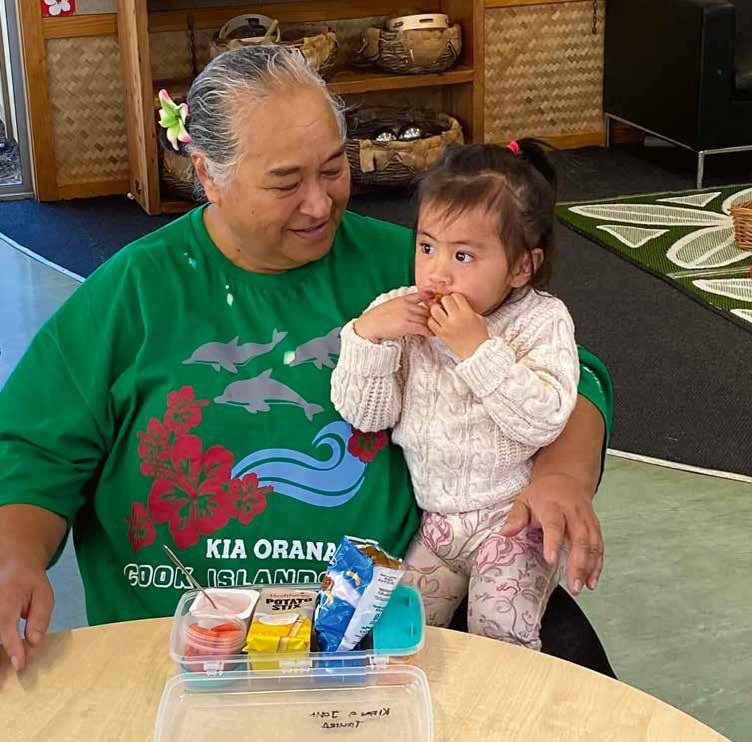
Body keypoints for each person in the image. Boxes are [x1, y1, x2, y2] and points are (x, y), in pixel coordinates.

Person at [0, 45, 611, 673]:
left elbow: (569, 374)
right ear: (207, 174)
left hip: (383, 625)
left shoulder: (415, 267)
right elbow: (34, 448)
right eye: (286, 183)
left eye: (333, 168)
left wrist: (561, 475)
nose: (319, 204)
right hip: (183, 648)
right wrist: (14, 556)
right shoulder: (135, 291)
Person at [331, 140, 579, 650]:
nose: (437, 272)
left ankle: (506, 702)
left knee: (498, 627)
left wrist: (477, 350)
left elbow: (544, 419)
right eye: (427, 247)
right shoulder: (401, 312)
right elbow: (368, 416)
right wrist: (367, 337)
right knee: (394, 632)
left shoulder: (541, 321)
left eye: (463, 255)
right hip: (439, 527)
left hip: (511, 523)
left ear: (521, 267)